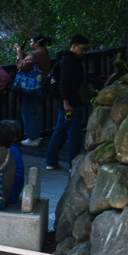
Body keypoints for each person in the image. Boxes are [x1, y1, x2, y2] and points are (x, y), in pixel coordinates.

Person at [46, 35, 91, 171]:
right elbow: (63, 84)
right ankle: (74, 163)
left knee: (61, 132)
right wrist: (66, 103)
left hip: (67, 103)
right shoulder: (68, 61)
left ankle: (51, 161)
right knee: (74, 133)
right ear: (74, 46)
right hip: (70, 103)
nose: (83, 52)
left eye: (85, 50)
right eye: (81, 49)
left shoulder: (70, 60)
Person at [14, 35, 53, 146]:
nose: (31, 44)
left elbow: (22, 65)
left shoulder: (36, 54)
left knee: (29, 111)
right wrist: (22, 53)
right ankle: (34, 136)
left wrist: (19, 54)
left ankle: (32, 138)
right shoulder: (43, 52)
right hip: (40, 85)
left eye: (31, 42)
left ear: (37, 43)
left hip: (31, 87)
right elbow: (31, 61)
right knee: (34, 111)